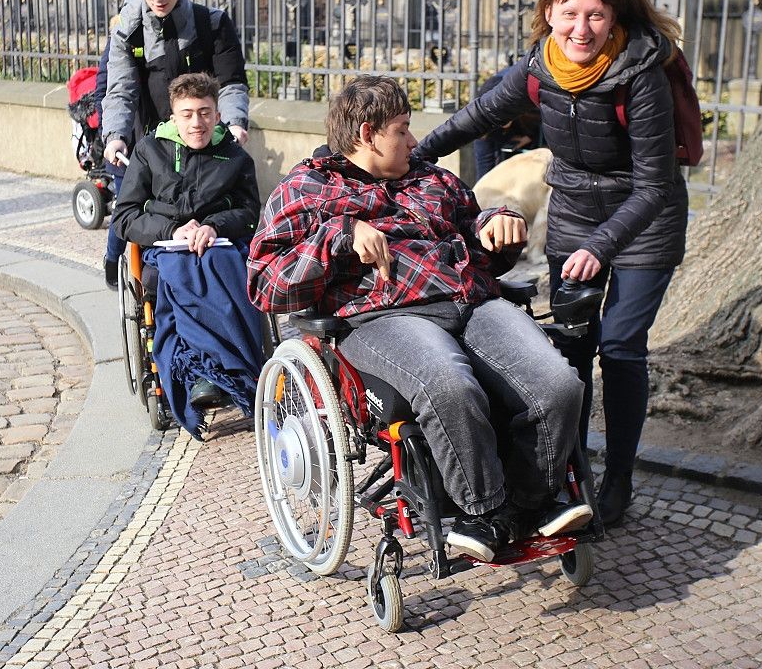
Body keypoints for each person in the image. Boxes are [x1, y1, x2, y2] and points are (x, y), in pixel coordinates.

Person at [248, 76, 591, 562]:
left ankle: (529, 503)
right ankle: (484, 510)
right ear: (368, 135)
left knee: (559, 384)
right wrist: (339, 237)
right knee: (448, 385)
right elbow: (265, 285)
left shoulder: (432, 179)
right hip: (381, 317)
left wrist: (496, 225)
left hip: (472, 303)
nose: (414, 141)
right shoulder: (305, 190)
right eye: (402, 129)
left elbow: (471, 227)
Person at [415, 0, 689, 527]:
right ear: (548, 13)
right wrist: (411, 158)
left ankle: (618, 480)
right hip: (575, 213)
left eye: (595, 15)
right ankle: (571, 471)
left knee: (620, 347)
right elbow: (479, 115)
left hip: (645, 220)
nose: (581, 29)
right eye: (569, 14)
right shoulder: (541, 64)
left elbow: (655, 184)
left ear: (615, 18)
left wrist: (602, 245)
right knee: (571, 345)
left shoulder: (642, 73)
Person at [113, 72, 263, 436]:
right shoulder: (149, 151)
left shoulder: (234, 157)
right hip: (167, 248)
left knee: (220, 265)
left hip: (220, 245)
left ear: (217, 114)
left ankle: (224, 372)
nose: (197, 122)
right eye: (188, 114)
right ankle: (200, 371)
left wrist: (214, 227)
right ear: (174, 117)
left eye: (205, 113)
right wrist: (172, 230)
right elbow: (124, 217)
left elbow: (249, 212)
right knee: (179, 271)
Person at [94, 0, 250, 287]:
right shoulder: (128, 31)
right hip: (149, 138)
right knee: (132, 205)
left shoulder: (211, 24)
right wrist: (115, 135)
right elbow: (120, 89)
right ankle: (114, 259)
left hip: (200, 131)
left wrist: (235, 122)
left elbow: (231, 82)